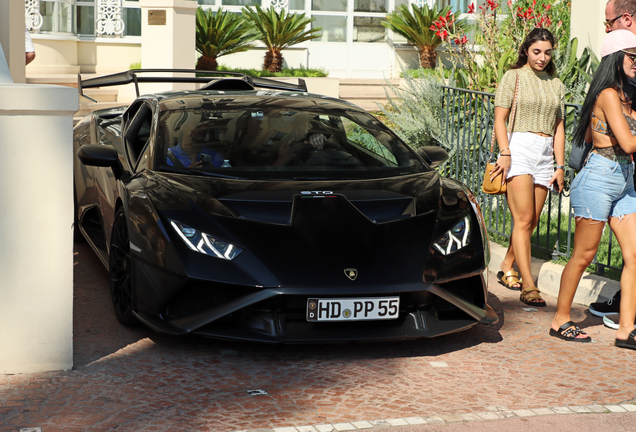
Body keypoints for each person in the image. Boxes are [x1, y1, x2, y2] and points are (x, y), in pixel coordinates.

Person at [550, 30, 636, 348]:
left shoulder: (629, 95)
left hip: (625, 179)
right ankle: (560, 319)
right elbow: (627, 142)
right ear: (616, 58)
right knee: (584, 254)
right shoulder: (609, 95)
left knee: (634, 255)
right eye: (632, 56)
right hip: (599, 178)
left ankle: (626, 329)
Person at [489, 28, 566, 307]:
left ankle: (507, 265)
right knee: (522, 220)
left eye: (547, 52)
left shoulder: (556, 83)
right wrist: (505, 151)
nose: (542, 58)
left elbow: (559, 127)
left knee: (531, 220)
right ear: (526, 50)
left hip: (546, 154)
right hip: (519, 148)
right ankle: (529, 285)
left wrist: (560, 165)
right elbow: (500, 119)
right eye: (537, 52)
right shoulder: (514, 77)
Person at [589, 0, 636, 320]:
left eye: (609, 23)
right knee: (587, 254)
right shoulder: (613, 87)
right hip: (617, 169)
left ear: (626, 19)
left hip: (622, 169)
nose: (606, 29)